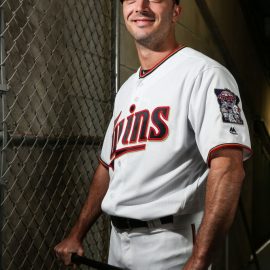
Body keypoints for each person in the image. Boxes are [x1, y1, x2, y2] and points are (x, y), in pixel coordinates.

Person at [54, 0, 252, 269]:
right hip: (117, 243)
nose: (141, 6)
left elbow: (229, 169)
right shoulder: (126, 90)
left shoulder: (205, 75)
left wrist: (199, 260)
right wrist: (77, 234)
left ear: (176, 12)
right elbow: (107, 167)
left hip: (171, 243)